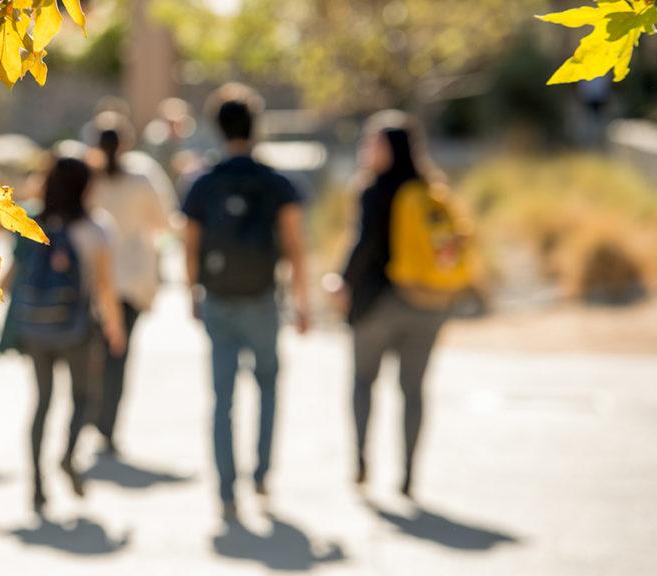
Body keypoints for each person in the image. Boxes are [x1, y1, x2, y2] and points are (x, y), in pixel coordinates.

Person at [181, 84, 311, 520]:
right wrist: (302, 300)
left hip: (218, 297)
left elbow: (190, 244)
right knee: (269, 384)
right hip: (261, 298)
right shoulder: (276, 183)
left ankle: (226, 490)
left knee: (222, 398)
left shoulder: (203, 183)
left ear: (218, 128)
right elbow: (294, 247)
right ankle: (261, 474)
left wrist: (192, 291)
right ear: (255, 127)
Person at [0, 156, 126, 512]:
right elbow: (104, 289)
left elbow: (11, 274)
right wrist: (115, 328)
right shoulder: (95, 229)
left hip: (35, 329)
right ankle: (69, 455)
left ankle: (37, 484)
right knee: (83, 398)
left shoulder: (32, 224)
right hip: (76, 330)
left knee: (41, 403)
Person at [335, 110, 453, 498]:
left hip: (379, 304)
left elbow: (363, 246)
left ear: (386, 148)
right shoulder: (431, 189)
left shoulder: (375, 190)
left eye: (372, 141)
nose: (365, 148)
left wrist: (341, 282)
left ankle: (360, 461)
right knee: (414, 390)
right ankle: (408, 473)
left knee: (363, 382)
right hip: (428, 303)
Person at [86, 112, 174, 455]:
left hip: (95, 278)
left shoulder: (88, 177)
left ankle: (91, 413)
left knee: (94, 350)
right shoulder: (143, 176)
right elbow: (164, 222)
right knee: (118, 355)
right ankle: (107, 424)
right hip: (133, 278)